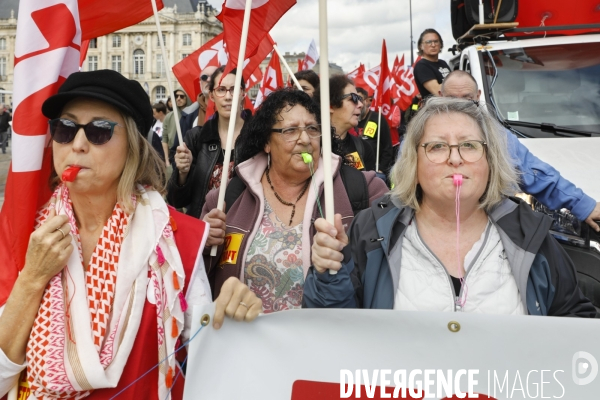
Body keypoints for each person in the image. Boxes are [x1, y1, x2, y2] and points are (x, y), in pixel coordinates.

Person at [0, 70, 261, 400]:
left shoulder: (179, 241)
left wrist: (234, 317)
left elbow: (208, 360)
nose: (77, 145)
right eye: (65, 129)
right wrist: (32, 278)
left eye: (99, 131)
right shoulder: (23, 234)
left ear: (132, 146)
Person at [304, 96, 596, 318]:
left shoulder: (529, 230)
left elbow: (573, 325)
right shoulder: (369, 231)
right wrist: (330, 273)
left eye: (469, 146)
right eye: (437, 147)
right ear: (414, 163)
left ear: (490, 161)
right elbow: (332, 332)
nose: (455, 159)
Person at [200, 88, 388, 313]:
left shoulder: (364, 189)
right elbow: (198, 284)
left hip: (326, 341)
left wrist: (346, 252)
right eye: (290, 130)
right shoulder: (225, 199)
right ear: (267, 142)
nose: (305, 139)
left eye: (312, 128)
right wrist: (204, 243)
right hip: (246, 342)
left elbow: (387, 267)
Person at [440, 70, 600, 231]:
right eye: (452, 100)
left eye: (467, 99)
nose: (460, 107)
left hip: (486, 227)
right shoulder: (421, 133)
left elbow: (534, 173)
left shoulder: (497, 136)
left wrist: (583, 205)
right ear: (440, 95)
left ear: (477, 95)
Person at [167, 66, 248, 218]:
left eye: (234, 89)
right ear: (211, 95)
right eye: (221, 89)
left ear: (243, 93)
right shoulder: (196, 138)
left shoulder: (257, 137)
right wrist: (183, 173)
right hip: (204, 230)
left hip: (243, 231)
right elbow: (177, 200)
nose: (228, 96)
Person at [315, 75, 376, 172]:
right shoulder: (313, 146)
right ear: (330, 106)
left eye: (360, 99)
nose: (360, 105)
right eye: (353, 98)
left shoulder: (364, 148)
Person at [355, 87, 394, 177]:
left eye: (360, 99)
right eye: (354, 100)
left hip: (375, 171)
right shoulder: (351, 120)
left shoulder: (378, 119)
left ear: (366, 101)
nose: (358, 104)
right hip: (357, 171)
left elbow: (387, 147)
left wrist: (381, 169)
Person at [413, 28, 451, 99]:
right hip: (435, 109)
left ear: (440, 44)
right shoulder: (421, 66)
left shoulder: (443, 63)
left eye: (436, 41)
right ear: (421, 46)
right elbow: (438, 91)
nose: (433, 45)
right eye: (428, 42)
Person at [162, 88, 191, 168]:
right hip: (172, 155)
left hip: (188, 155)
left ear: (187, 98)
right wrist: (166, 159)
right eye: (176, 96)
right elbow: (165, 139)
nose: (178, 98)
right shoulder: (169, 116)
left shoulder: (192, 115)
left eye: (182, 96)